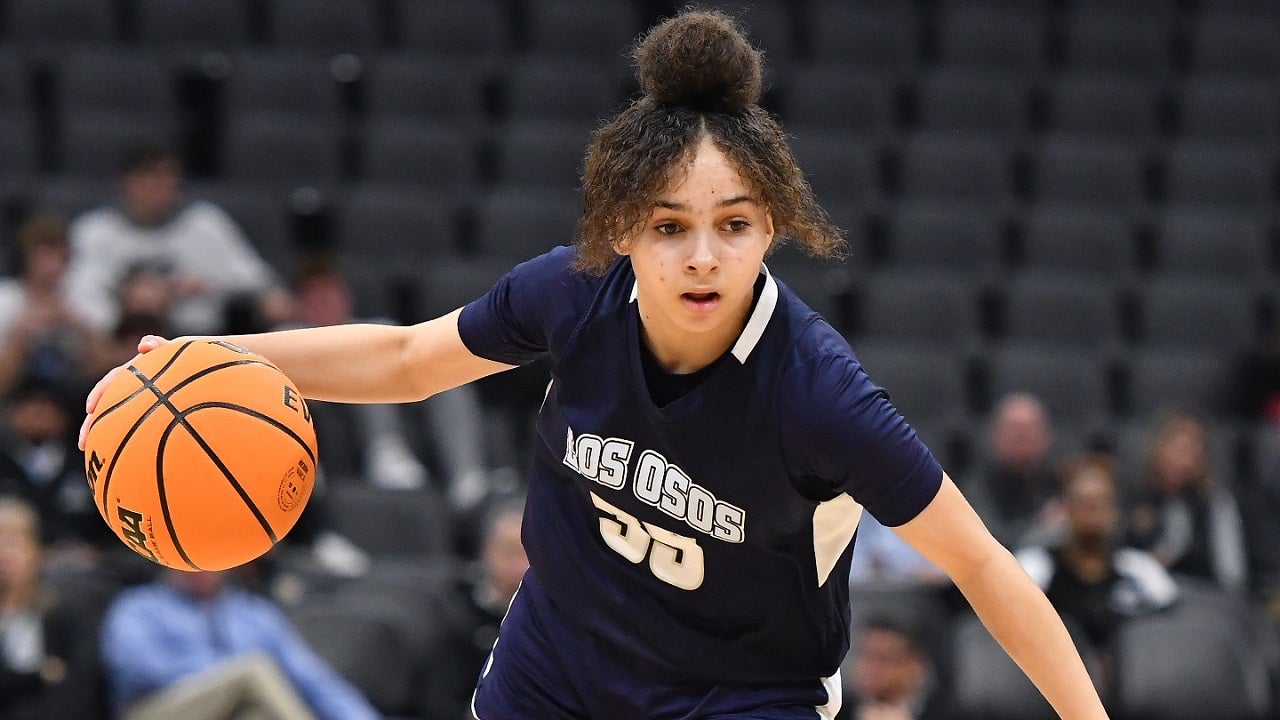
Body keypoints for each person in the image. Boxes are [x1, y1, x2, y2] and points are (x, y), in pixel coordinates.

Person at [81, 11, 1109, 720]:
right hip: (558, 668)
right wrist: (209, 358)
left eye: (733, 225)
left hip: (740, 693)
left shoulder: (815, 391)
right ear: (619, 228)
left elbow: (977, 561)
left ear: (773, 230)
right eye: (668, 226)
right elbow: (403, 359)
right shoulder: (570, 294)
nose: (701, 255)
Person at [63, 144, 293, 338]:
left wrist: (186, 287)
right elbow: (80, 294)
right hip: (123, 342)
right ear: (128, 182)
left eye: (167, 178)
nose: (159, 189)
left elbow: (249, 276)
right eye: (149, 178)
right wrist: (127, 304)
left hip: (198, 339)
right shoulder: (97, 230)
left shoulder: (204, 224)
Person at [99, 567, 381, 720]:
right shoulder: (138, 606)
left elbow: (314, 679)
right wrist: (223, 676)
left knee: (256, 715)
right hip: (160, 710)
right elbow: (137, 672)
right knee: (252, 672)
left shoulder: (254, 613)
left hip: (237, 708)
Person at [1016, 453, 1178, 686]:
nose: (1092, 512)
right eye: (1084, 503)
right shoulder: (1036, 568)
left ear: (1114, 510)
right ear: (1066, 508)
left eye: (1100, 503)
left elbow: (1168, 638)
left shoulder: (1141, 571)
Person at [421, 494, 529, 720]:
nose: (521, 566)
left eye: (529, 554)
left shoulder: (560, 617)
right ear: (486, 552)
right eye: (511, 553)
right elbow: (441, 702)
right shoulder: (454, 612)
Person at [0, 495, 109, 720]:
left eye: (14, 543)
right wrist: (39, 676)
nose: (6, 555)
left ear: (37, 550)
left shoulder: (66, 609)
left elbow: (80, 688)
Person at [1127, 409, 1248, 592]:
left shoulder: (1215, 503)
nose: (1180, 460)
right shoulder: (1136, 497)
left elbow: (1231, 575)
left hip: (1202, 597)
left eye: (1189, 452)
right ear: (1158, 449)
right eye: (1174, 449)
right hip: (1143, 595)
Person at [0, 214, 106, 399]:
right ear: (25, 259)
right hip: (19, 397)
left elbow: (106, 369)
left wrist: (74, 322)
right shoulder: (6, 299)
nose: (52, 266)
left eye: (59, 257)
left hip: (76, 395)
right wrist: (22, 332)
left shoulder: (87, 298)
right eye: (44, 257)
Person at [966, 393, 1063, 549]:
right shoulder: (978, 489)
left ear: (1047, 436)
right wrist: (1044, 529)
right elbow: (989, 541)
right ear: (995, 436)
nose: (1023, 437)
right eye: (1015, 430)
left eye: (1030, 429)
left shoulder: (1062, 480)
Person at [836, 614, 952, 720]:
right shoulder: (833, 711)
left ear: (915, 665)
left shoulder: (948, 714)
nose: (871, 668)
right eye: (865, 655)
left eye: (883, 658)